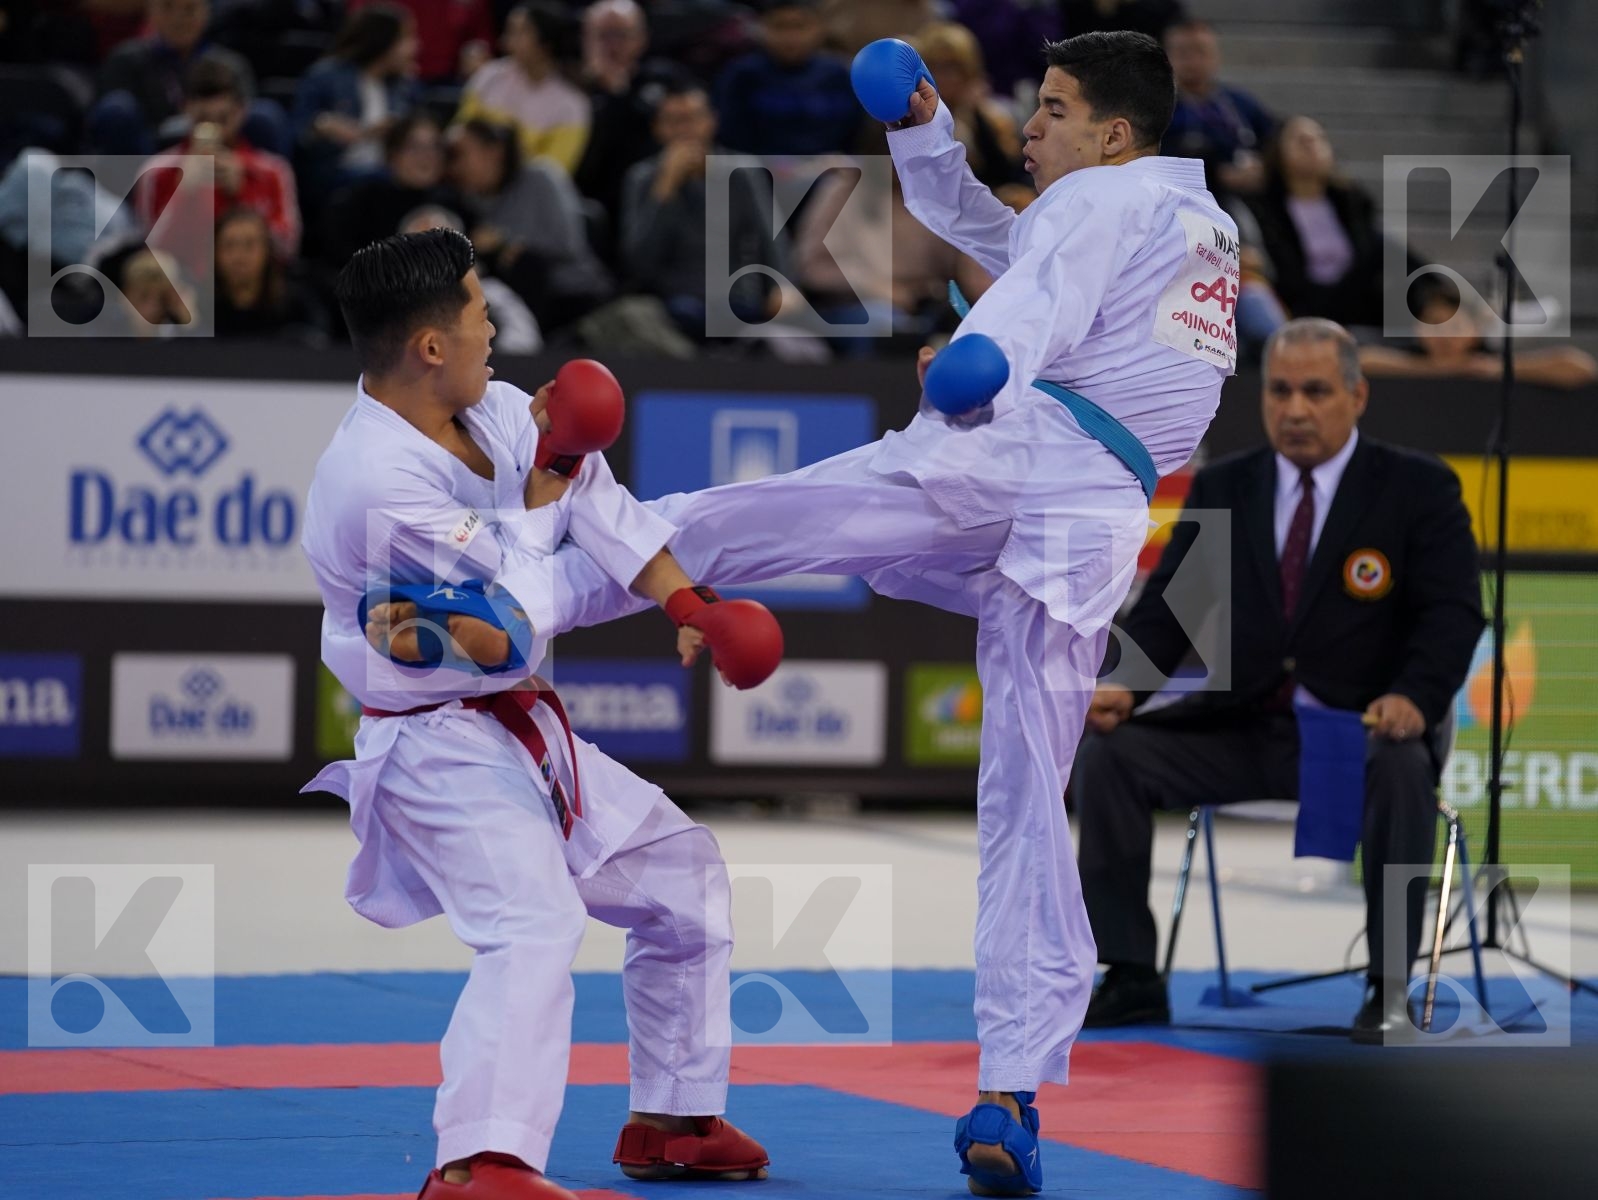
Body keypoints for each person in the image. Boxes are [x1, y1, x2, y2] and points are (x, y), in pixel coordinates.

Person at [537, 29, 1239, 1195]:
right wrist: (921, 133)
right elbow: (1013, 251)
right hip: (1088, 514)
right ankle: (1008, 1096)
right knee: (1020, 792)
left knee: (754, 522)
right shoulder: (1190, 223)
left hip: (1019, 455)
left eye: (1053, 109)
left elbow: (1032, 299)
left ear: (1112, 134)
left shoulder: (1108, 206)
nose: (1031, 125)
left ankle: (529, 591)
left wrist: (979, 361)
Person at [300, 228, 773, 1198]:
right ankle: (478, 1163)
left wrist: (691, 608)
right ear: (429, 345)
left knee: (680, 878)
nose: (492, 331)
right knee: (531, 924)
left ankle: (671, 1118)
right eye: (478, 313)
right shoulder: (372, 479)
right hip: (434, 744)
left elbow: (604, 514)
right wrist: (535, 497)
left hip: (520, 724)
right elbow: (494, 627)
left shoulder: (500, 410)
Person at [1074, 318, 1484, 1044]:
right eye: (1281, 391)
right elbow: (1173, 609)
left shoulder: (1416, 488)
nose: (1296, 409)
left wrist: (1415, 699)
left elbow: (1451, 616)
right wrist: (1124, 686)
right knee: (1113, 755)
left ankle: (1388, 986)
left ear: (1357, 397)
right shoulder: (1229, 484)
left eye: (1317, 392)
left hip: (1358, 733)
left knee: (1401, 773)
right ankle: (1132, 974)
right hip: (1241, 729)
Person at [620, 82, 783, 339]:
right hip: (674, 300)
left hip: (737, 298)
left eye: (693, 119)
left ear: (711, 121)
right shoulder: (642, 179)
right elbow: (639, 263)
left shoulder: (743, 172)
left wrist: (781, 287)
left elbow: (770, 236)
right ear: (658, 129)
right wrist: (665, 189)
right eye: (674, 121)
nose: (686, 130)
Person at [135, 53, 302, 276]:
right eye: (203, 120)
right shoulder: (156, 171)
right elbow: (149, 256)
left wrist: (243, 195)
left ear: (241, 112)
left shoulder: (273, 170)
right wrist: (182, 194)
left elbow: (286, 250)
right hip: (184, 287)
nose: (215, 130)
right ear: (186, 110)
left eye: (223, 119)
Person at [447, 117, 614, 336]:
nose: (456, 167)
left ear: (494, 152)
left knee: (526, 264)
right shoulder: (470, 200)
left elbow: (567, 244)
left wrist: (505, 242)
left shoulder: (541, 177)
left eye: (461, 155)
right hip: (512, 301)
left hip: (572, 290)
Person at [1241, 115, 1393, 332]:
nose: (1311, 145)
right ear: (1278, 152)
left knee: (1390, 247)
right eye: (1301, 140)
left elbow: (1369, 256)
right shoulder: (1263, 207)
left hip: (1357, 298)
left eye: (1318, 138)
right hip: (1299, 304)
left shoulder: (1352, 202)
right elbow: (1281, 272)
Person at [90, 0, 290, 158]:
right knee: (116, 108)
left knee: (265, 115)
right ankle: (126, 205)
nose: (179, 18)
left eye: (190, 8)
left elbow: (240, 120)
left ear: (207, 12)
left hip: (224, 154)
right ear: (150, 11)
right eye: (168, 6)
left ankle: (267, 198)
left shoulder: (231, 65)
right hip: (151, 157)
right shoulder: (125, 60)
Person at [290, 2, 421, 209]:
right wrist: (322, 126)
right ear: (383, 41)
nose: (415, 47)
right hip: (338, 174)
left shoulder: (405, 86)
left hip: (391, 173)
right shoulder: (325, 76)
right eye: (406, 39)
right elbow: (297, 132)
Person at [1359, 285, 1598, 389]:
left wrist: (1498, 370)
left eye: (1455, 327)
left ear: (1475, 330)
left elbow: (1580, 367)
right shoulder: (1410, 354)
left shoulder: (1489, 361)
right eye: (1433, 325)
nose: (1443, 336)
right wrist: (1440, 369)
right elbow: (1364, 361)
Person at [457, 2, 591, 174]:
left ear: (545, 44)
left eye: (518, 32)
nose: (505, 41)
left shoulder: (572, 105)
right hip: (470, 178)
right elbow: (460, 130)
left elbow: (551, 174)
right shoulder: (488, 76)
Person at [714, 0, 860, 158]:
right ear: (761, 28)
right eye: (780, 26)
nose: (791, 37)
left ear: (819, 28)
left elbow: (853, 134)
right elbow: (730, 137)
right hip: (760, 171)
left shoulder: (838, 74)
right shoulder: (742, 75)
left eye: (799, 26)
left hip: (829, 167)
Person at [320, 113, 461, 270]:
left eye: (435, 147)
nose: (427, 156)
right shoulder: (362, 201)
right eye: (415, 147)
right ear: (393, 154)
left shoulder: (454, 201)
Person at [910, 21, 1030, 201]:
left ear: (969, 70)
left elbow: (1009, 174)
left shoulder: (991, 118)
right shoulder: (908, 121)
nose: (943, 76)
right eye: (934, 66)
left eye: (952, 66)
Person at [1160, 19, 1273, 203]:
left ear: (1216, 56)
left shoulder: (1240, 103)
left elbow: (1273, 138)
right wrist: (1216, 174)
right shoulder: (1156, 108)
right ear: (1167, 58)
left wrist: (1263, 165)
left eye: (1201, 52)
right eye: (1183, 53)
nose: (1193, 61)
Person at [213, 206, 327, 342]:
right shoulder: (199, 311)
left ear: (267, 252)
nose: (239, 257)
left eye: (249, 245)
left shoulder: (297, 308)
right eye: (229, 246)